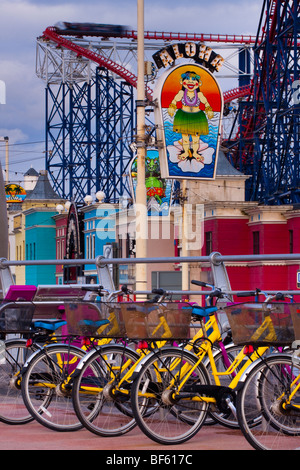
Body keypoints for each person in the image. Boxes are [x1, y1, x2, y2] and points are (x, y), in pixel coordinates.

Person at [168, 70, 214, 161]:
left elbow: (206, 102)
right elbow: (175, 100)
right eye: (188, 79)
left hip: (197, 117)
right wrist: (172, 107)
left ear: (198, 83)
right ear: (182, 82)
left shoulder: (199, 94)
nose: (191, 82)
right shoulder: (182, 93)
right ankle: (185, 152)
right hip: (184, 116)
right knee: (185, 137)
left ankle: (195, 153)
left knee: (195, 138)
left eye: (193, 80)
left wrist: (209, 109)